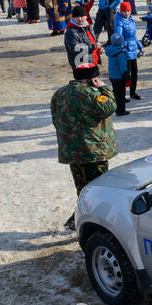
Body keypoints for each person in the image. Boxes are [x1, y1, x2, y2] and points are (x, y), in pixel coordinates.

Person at [52, 65, 119, 231]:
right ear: (92, 79)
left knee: (82, 189)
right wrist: (104, 88)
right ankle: (91, 222)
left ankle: (80, 217)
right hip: (92, 152)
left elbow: (56, 119)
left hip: (71, 151)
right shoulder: (92, 94)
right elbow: (110, 106)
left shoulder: (59, 94)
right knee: (98, 190)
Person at [110, 2, 143, 111]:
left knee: (134, 73)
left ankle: (133, 92)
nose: (127, 13)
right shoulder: (119, 22)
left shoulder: (131, 20)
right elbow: (118, 37)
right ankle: (122, 95)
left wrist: (140, 46)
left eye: (128, 11)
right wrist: (121, 49)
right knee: (125, 74)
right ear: (121, 11)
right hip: (125, 51)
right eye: (124, 11)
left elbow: (134, 36)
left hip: (133, 50)